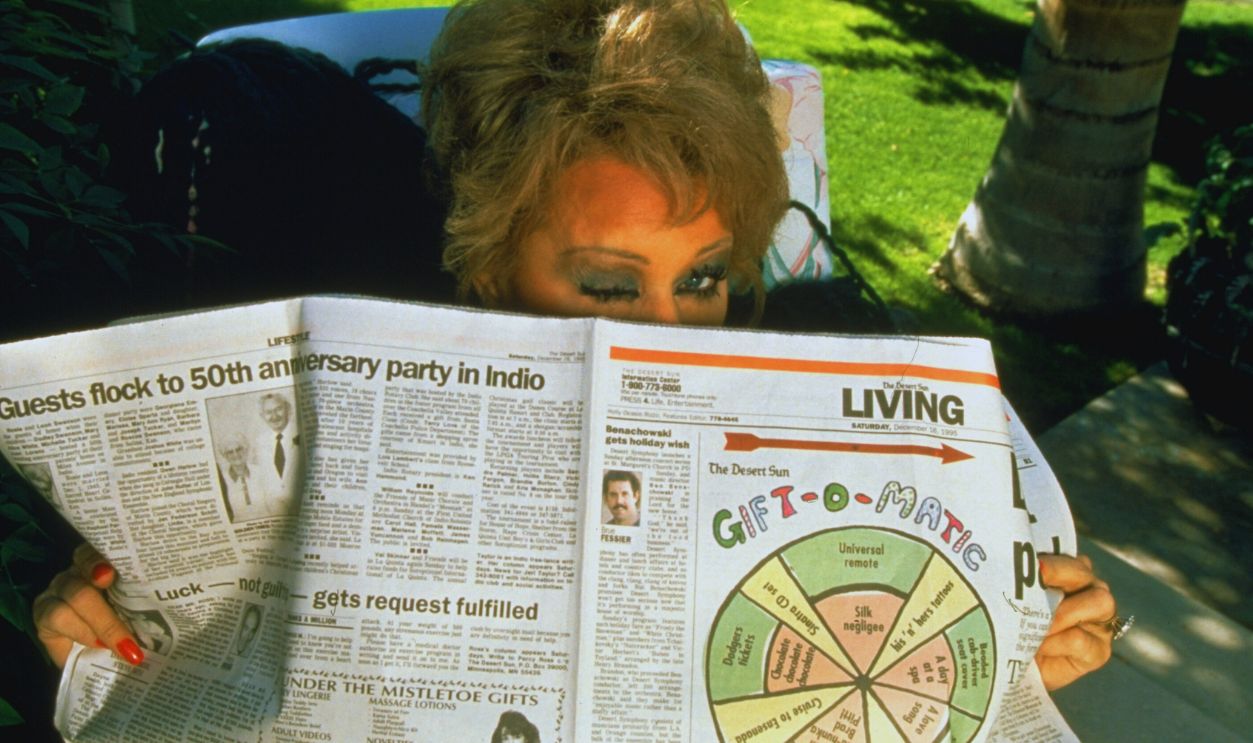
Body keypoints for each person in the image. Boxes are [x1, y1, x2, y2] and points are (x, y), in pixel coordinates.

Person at [31, 0, 1115, 696]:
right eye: (604, 282)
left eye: (700, 278)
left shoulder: (813, 378)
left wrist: (1017, 648)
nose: (664, 330)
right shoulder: (343, 413)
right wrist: (103, 624)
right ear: (492, 257)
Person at [255, 392, 301, 510]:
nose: (274, 416)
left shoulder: (302, 433)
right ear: (262, 416)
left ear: (288, 410)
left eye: (278, 409)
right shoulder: (260, 443)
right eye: (268, 412)